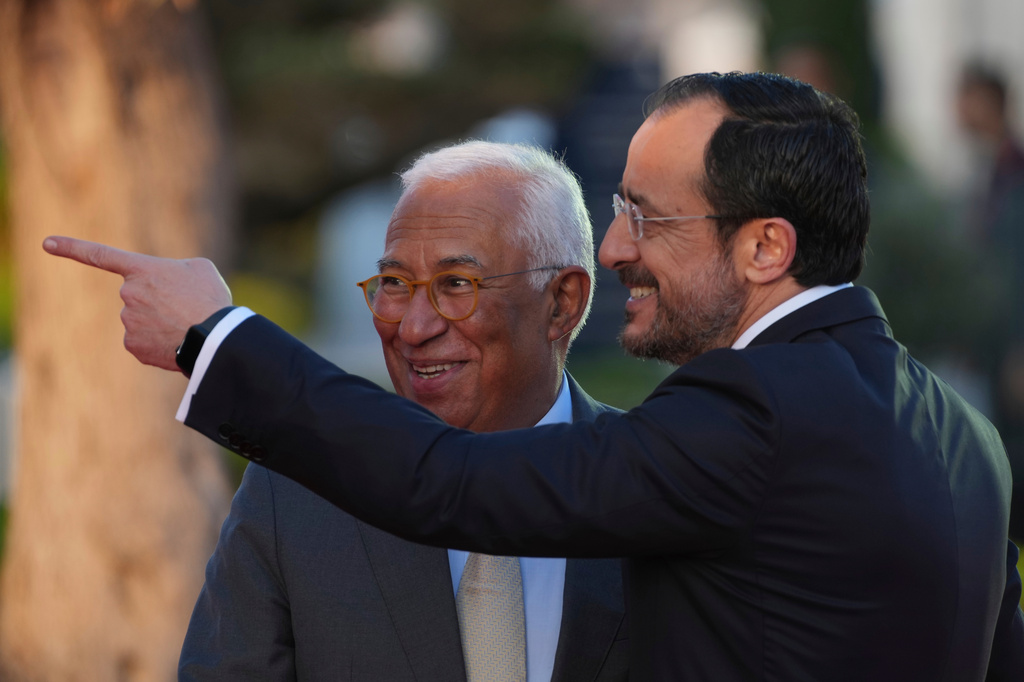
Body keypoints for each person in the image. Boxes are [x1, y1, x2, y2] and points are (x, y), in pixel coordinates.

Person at [44, 71, 1024, 681]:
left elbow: (454, 484)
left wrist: (217, 337)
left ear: (765, 246)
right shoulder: (968, 442)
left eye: (648, 217)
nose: (616, 247)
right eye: (391, 281)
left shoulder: (751, 409)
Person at [176, 141, 628, 681]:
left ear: (562, 302)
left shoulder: (656, 482)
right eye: (394, 284)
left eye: (456, 284)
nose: (413, 328)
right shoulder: (296, 496)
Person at [956, 62, 1024, 541]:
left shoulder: (1015, 173)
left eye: (965, 98)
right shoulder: (982, 171)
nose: (956, 111)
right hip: (992, 348)